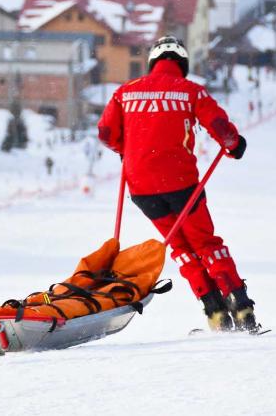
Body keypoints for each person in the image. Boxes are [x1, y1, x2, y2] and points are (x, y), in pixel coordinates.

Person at [98, 36, 258, 333]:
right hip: (181, 186)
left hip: (142, 190)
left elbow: (106, 133)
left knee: (181, 248)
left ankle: (215, 313)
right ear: (182, 64)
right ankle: (241, 306)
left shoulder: (125, 93)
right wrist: (234, 146)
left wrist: (126, 149)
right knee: (206, 244)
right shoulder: (189, 91)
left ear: (152, 63)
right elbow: (221, 130)